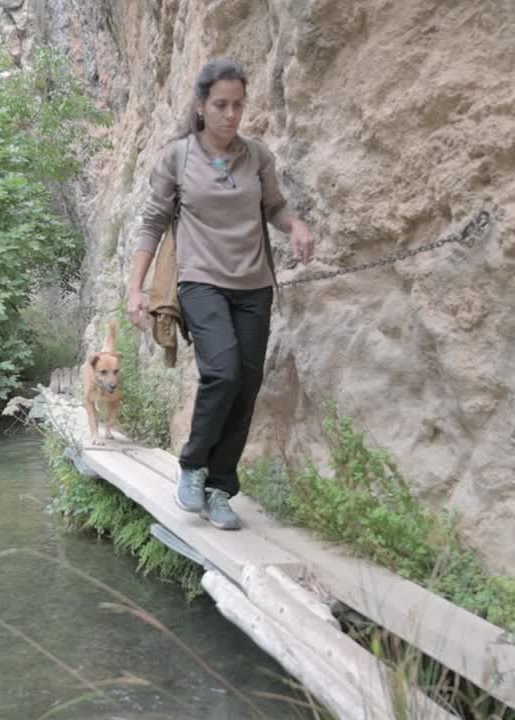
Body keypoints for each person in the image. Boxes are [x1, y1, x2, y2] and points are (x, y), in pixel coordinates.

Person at [127, 59, 315, 531]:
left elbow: (274, 207)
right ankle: (192, 466)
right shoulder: (178, 157)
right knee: (223, 372)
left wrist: (296, 225)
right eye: (221, 105)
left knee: (247, 387)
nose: (231, 115)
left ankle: (219, 489)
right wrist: (136, 289)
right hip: (200, 280)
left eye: (238, 105)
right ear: (200, 105)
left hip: (254, 286)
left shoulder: (256, 156)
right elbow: (152, 223)